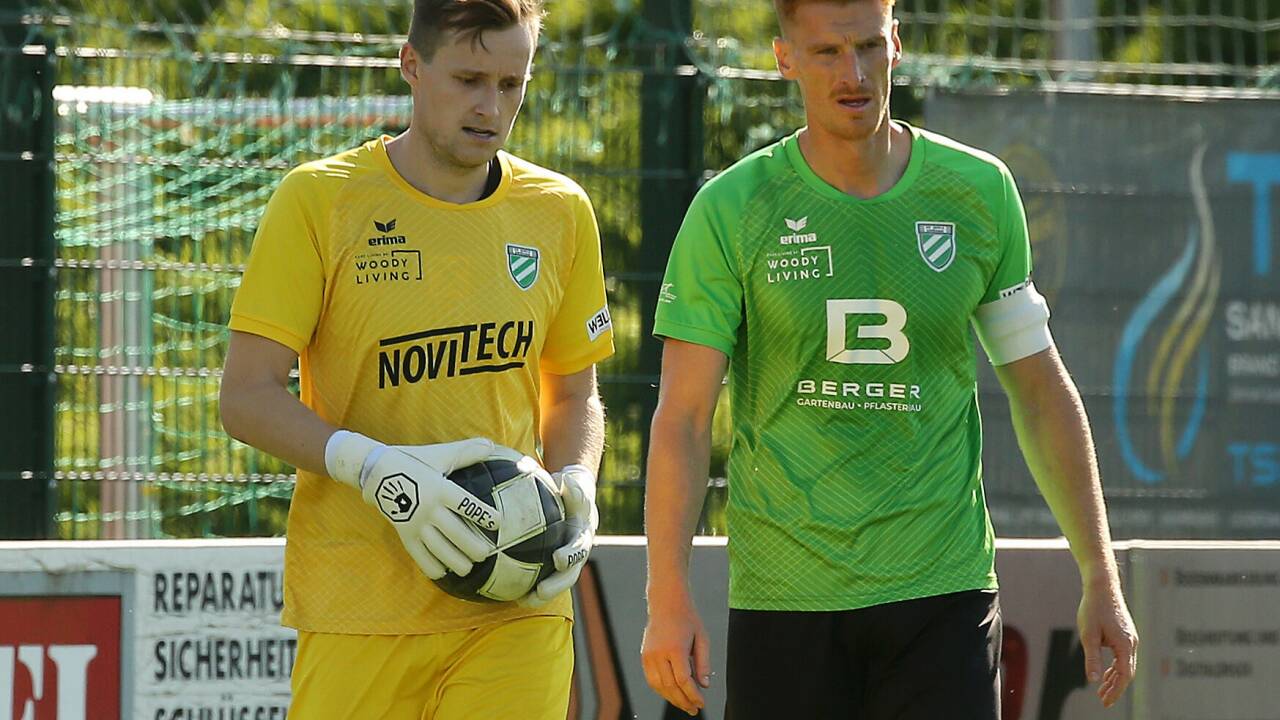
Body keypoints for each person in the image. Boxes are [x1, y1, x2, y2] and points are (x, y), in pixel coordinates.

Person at [639, 0, 1138, 717]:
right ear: (784, 60)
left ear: (896, 44)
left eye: (870, 47)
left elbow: (1038, 391)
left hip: (942, 592)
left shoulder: (978, 191)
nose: (855, 73)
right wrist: (668, 596)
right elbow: (682, 419)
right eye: (828, 53)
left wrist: (1101, 573)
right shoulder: (733, 208)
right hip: (787, 596)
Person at [218, 0, 613, 717]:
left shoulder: (560, 211)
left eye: (510, 84)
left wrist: (577, 483)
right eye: (468, 78)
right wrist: (376, 469)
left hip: (514, 602)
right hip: (359, 603)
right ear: (411, 64)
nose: (490, 106)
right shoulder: (319, 200)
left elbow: (575, 394)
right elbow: (246, 397)